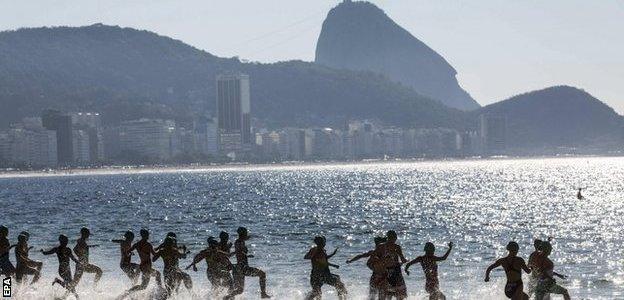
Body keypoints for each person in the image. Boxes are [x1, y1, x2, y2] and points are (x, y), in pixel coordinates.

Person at [225, 227, 271, 299]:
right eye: (246, 233)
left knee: (240, 290)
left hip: (239, 268)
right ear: (243, 234)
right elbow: (239, 251)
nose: (247, 234)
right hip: (242, 267)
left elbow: (238, 250)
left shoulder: (240, 241)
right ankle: (263, 294)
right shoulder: (239, 242)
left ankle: (226, 297)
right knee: (262, 274)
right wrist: (246, 255)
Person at [119, 229, 162, 298]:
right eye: (148, 235)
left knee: (143, 286)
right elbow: (155, 255)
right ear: (147, 236)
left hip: (143, 266)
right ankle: (160, 291)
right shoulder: (148, 245)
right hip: (147, 266)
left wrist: (128, 254)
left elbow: (127, 252)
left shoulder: (136, 244)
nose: (148, 236)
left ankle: (127, 293)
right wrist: (161, 250)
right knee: (156, 275)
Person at [304, 236, 347, 300]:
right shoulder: (315, 250)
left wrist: (333, 254)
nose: (324, 243)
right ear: (319, 242)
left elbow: (323, 260)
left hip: (319, 275)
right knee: (338, 285)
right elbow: (306, 257)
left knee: (317, 293)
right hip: (320, 275)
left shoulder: (321, 250)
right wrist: (313, 255)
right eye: (323, 242)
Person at [41, 234, 81, 299]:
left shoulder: (68, 249)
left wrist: (78, 262)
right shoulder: (57, 249)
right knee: (70, 284)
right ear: (60, 241)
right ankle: (76, 296)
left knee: (70, 284)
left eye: (67, 241)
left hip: (68, 269)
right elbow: (47, 253)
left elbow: (73, 258)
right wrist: (43, 251)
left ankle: (64, 294)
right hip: (62, 269)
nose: (66, 242)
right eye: (65, 241)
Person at [379, 230, 408, 299]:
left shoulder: (381, 246)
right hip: (396, 271)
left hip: (385, 271)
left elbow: (376, 258)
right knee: (400, 293)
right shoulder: (397, 247)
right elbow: (403, 259)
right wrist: (406, 261)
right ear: (395, 237)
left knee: (387, 293)